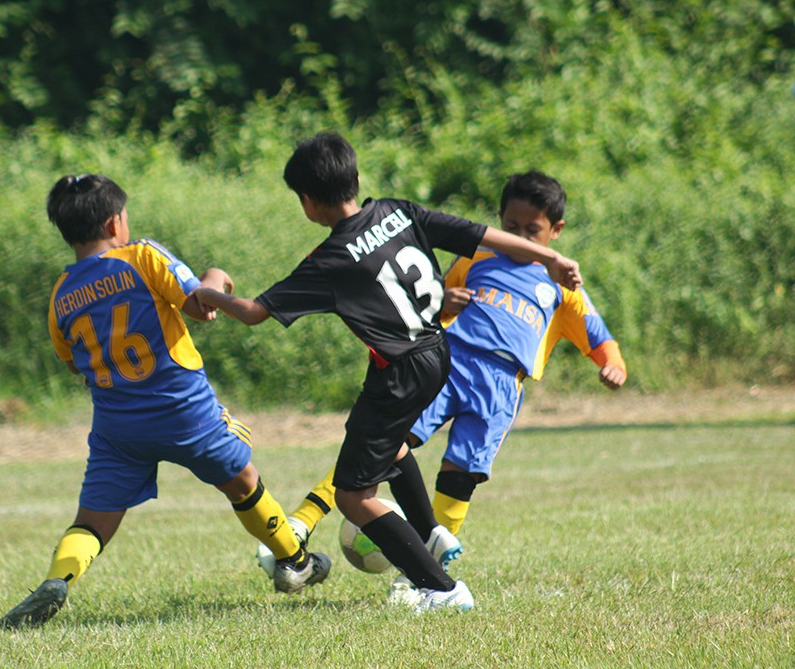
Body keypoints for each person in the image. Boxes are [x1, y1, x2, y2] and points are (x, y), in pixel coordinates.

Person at [194, 134, 584, 613]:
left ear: (308, 202)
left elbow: (254, 311)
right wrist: (551, 256)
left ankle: (440, 589)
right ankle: (432, 531)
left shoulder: (329, 260)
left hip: (398, 372)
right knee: (390, 444)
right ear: (355, 179)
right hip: (437, 352)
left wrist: (208, 288)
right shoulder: (399, 212)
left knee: (356, 497)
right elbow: (481, 234)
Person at [264, 170, 627, 603]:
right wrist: (444, 302)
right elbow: (424, 300)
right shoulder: (477, 259)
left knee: (460, 475)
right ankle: (305, 519)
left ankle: (420, 575)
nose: (519, 234)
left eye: (532, 230)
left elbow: (598, 336)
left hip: (500, 388)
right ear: (500, 218)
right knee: (383, 444)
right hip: (449, 364)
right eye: (511, 226)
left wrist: (612, 365)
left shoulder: (561, 285)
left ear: (556, 230)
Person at [3, 173, 330, 629]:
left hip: (119, 429)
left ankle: (59, 579)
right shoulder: (141, 255)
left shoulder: (61, 295)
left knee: (93, 522)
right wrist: (217, 276)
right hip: (185, 413)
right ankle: (296, 560)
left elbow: (74, 363)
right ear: (116, 222)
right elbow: (201, 305)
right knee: (243, 481)